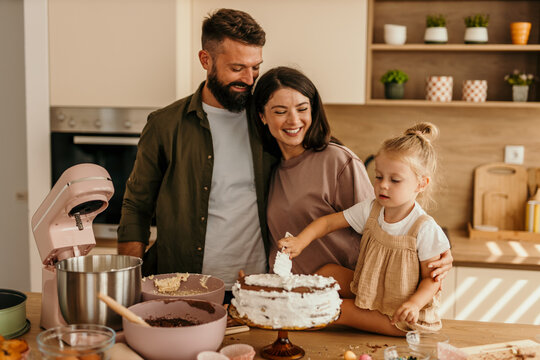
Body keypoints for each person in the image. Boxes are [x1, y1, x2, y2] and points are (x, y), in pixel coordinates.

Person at [117, 8, 277, 302]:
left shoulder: (270, 119)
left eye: (256, 68)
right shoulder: (165, 124)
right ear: (206, 60)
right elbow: (136, 206)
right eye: (237, 68)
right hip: (180, 284)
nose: (250, 78)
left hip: (257, 287)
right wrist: (127, 284)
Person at [252, 67, 452, 280]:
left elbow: (385, 221)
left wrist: (433, 249)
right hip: (291, 299)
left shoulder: (337, 161)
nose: (293, 120)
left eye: (302, 109)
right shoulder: (268, 167)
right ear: (263, 116)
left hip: (344, 294)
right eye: (280, 111)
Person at [278, 122, 450, 336]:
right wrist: (300, 241)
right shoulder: (372, 209)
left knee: (335, 309)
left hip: (398, 315)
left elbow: (432, 280)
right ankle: (288, 301)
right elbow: (328, 223)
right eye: (379, 177)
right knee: (327, 274)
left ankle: (285, 316)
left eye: (395, 180)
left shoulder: (424, 228)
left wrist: (414, 305)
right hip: (374, 289)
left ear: (421, 184)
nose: (383, 185)